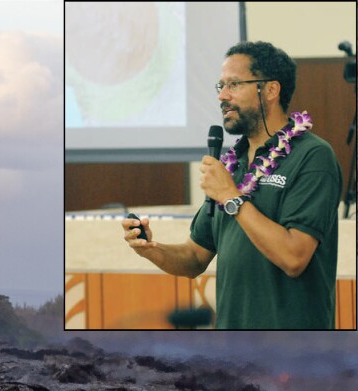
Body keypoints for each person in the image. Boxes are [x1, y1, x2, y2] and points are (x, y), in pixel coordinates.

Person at [123, 41, 342, 329]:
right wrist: (149, 248)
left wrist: (231, 196)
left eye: (234, 84)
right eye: (220, 86)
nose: (222, 96)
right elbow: (193, 257)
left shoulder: (312, 157)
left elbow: (294, 257)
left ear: (271, 90)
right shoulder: (232, 164)